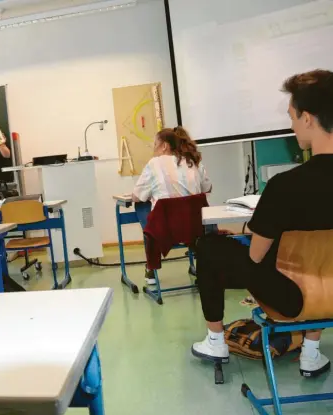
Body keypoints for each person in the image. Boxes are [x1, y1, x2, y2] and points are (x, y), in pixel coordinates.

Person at [191, 69, 333, 377]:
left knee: (208, 247)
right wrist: (248, 232)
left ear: (308, 118)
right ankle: (311, 353)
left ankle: (216, 341)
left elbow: (255, 258)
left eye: (292, 117)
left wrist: (240, 240)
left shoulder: (285, 186)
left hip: (293, 300)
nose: (292, 125)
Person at [132, 127, 212, 285]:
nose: (154, 148)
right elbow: (207, 189)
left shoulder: (154, 164)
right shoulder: (192, 161)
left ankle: (151, 267)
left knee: (141, 205)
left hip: (165, 230)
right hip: (194, 228)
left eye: (155, 143)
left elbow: (136, 195)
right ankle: (199, 260)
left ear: (164, 146)